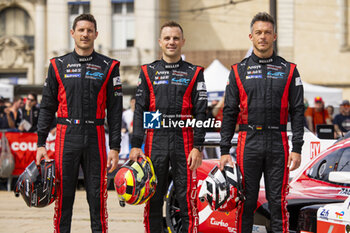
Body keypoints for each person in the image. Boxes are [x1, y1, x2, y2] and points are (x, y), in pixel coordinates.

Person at [36, 13, 122, 233]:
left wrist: (115, 147)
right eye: (81, 30)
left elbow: (115, 110)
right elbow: (46, 106)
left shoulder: (109, 66)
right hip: (66, 135)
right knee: (63, 197)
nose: (85, 34)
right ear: (72, 33)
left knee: (97, 198)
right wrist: (40, 143)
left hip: (95, 135)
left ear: (96, 34)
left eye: (89, 30)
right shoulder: (58, 65)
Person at [219, 12, 304, 233]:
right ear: (251, 36)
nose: (263, 37)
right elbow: (229, 111)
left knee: (278, 203)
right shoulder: (238, 70)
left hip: (279, 142)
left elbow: (297, 111)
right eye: (258, 33)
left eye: (267, 32)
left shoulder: (289, 70)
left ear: (274, 36)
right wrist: (224, 149)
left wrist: (297, 149)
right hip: (249, 141)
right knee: (245, 202)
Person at [129, 21, 207, 233]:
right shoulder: (148, 71)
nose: (171, 42)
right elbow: (141, 110)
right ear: (160, 42)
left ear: (182, 42)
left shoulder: (194, 72)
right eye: (167, 38)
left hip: (186, 143)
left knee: (186, 200)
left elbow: (201, 111)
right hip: (156, 143)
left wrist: (197, 146)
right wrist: (136, 144)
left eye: (175, 38)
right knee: (152, 199)